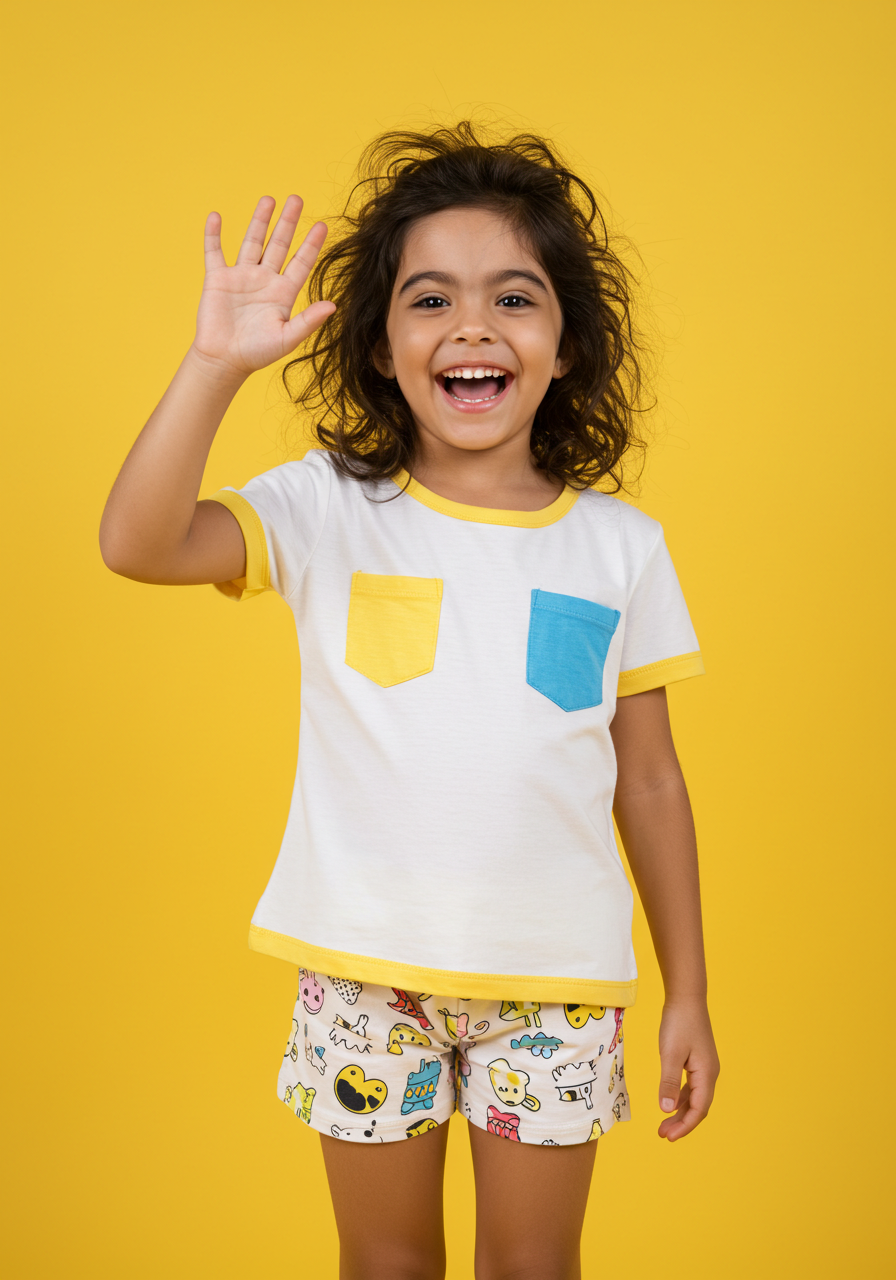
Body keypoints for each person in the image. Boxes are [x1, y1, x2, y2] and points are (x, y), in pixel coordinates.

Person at [100, 122, 720, 1280]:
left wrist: (687, 986)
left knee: (532, 1267)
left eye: (513, 299)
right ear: (380, 348)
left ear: (566, 345)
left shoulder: (620, 548)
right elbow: (136, 543)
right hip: (360, 973)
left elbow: (648, 778)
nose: (472, 327)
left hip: (556, 987)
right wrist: (213, 368)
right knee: (384, 1262)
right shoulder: (326, 506)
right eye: (429, 300)